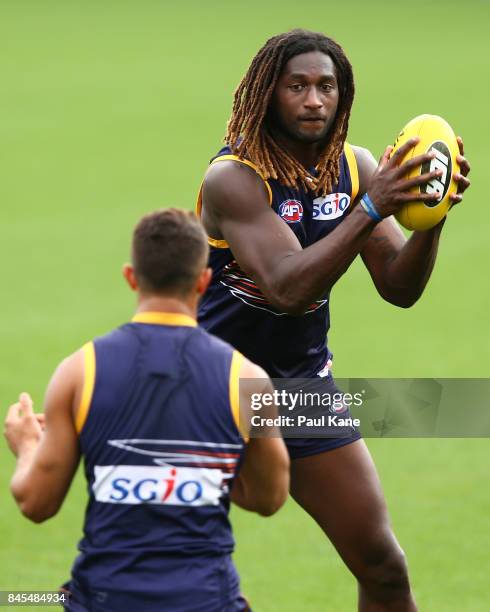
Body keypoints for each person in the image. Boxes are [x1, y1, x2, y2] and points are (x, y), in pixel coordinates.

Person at [196, 29, 471, 611]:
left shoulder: (357, 166)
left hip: (298, 387)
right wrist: (372, 208)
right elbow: (288, 287)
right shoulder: (234, 178)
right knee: (169, 574)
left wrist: (431, 215)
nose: (314, 100)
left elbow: (399, 287)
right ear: (268, 95)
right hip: (209, 390)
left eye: (327, 87)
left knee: (383, 566)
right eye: (297, 86)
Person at [4, 209, 290, 612]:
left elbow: (37, 503)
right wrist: (210, 466)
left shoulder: (79, 372)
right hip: (206, 600)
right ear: (204, 281)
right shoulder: (247, 380)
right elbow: (269, 497)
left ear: (131, 278)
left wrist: (28, 445)